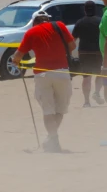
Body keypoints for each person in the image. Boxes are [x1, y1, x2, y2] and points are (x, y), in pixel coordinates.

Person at [13, 10, 76, 153]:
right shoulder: (59, 25)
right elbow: (72, 46)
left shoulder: (31, 33)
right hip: (62, 72)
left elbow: (18, 55)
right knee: (60, 109)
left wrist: (15, 61)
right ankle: (52, 139)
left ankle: (52, 138)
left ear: (34, 22)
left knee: (48, 110)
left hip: (42, 75)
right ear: (47, 19)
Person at [72, 0, 104, 106]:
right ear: (95, 9)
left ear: (85, 10)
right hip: (98, 52)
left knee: (86, 77)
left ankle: (86, 102)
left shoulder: (80, 22)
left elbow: (73, 39)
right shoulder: (100, 21)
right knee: (100, 75)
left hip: (84, 53)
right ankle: (97, 93)